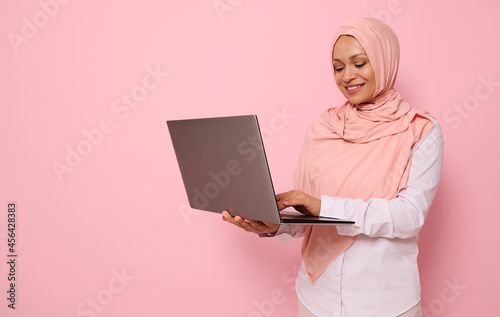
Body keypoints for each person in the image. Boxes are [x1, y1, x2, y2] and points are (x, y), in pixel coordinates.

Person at [222, 17, 443, 317]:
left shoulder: (420, 130)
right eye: (338, 67)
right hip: (316, 301)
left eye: (359, 63)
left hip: (387, 304)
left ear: (384, 59)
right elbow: (309, 216)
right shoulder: (323, 127)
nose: (347, 76)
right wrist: (276, 226)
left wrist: (323, 206)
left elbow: (410, 216)